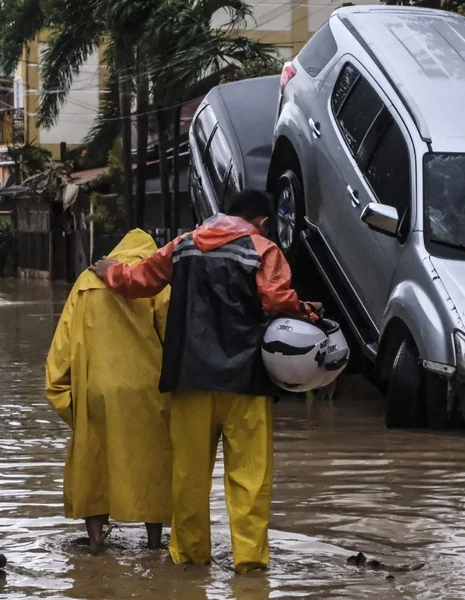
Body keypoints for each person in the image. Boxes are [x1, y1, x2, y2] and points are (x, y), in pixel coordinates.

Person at [92, 189, 321, 573]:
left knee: (189, 477)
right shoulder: (262, 249)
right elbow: (278, 300)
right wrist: (308, 313)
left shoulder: (182, 246)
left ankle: (190, 561)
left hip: (189, 378)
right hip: (246, 381)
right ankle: (250, 566)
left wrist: (109, 271)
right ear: (262, 221)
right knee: (249, 477)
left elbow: (140, 280)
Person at [46, 230, 173, 552]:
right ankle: (155, 543)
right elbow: (174, 340)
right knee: (152, 465)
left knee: (94, 465)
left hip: (95, 390)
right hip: (148, 390)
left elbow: (60, 351)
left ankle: (96, 541)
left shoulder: (85, 284)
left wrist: (66, 400)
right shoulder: (157, 284)